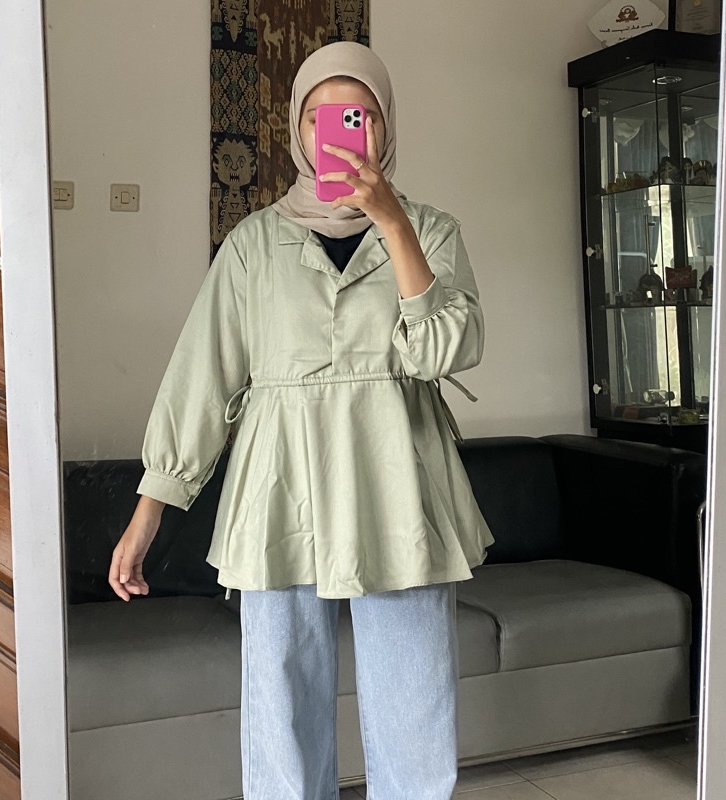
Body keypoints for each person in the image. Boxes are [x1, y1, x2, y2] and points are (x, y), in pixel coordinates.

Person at [108, 41, 494, 800]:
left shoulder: (432, 231)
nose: (338, 131)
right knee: (280, 714)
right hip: (279, 483)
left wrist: (393, 223)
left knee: (415, 710)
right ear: (298, 129)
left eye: (358, 114)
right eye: (320, 115)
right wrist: (148, 513)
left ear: (384, 126)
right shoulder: (252, 244)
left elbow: (446, 350)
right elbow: (202, 375)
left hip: (400, 480)